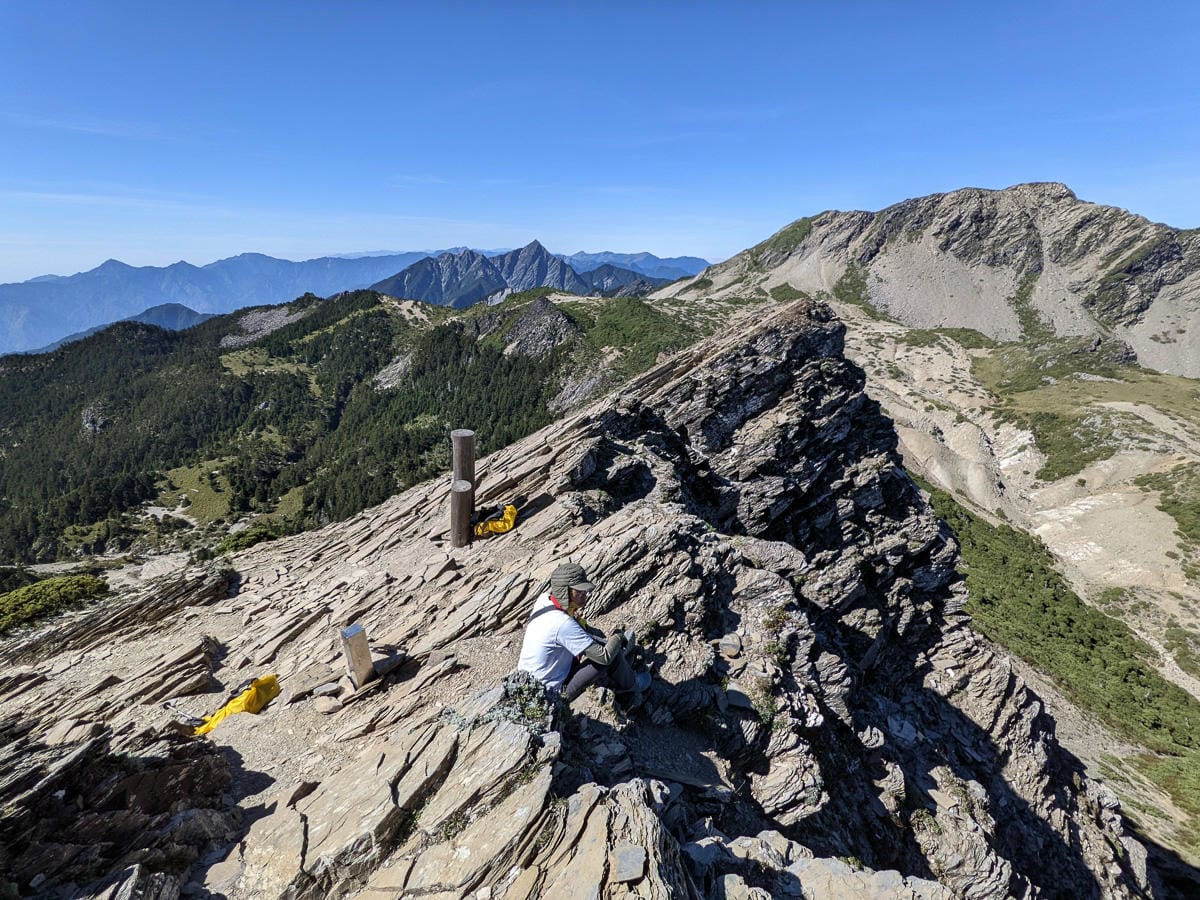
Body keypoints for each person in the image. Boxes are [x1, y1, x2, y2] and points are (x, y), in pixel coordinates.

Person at [517, 561, 650, 701]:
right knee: (609, 656)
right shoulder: (562, 623)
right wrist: (617, 636)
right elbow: (604, 657)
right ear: (564, 591)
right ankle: (631, 684)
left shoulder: (544, 600)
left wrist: (575, 619)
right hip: (549, 693)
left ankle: (619, 656)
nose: (585, 593)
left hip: (527, 682)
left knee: (593, 638)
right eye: (579, 591)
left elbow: (565, 626)